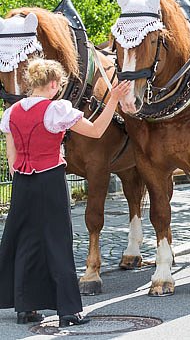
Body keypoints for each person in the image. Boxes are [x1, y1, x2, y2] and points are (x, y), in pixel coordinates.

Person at [0, 59, 130, 327]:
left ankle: (25, 308)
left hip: (22, 183)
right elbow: (96, 131)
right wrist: (114, 99)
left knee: (26, 242)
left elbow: (12, 160)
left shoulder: (11, 112)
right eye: (57, 85)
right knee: (58, 241)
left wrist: (25, 175)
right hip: (49, 179)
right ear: (52, 84)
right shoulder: (56, 110)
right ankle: (69, 311)